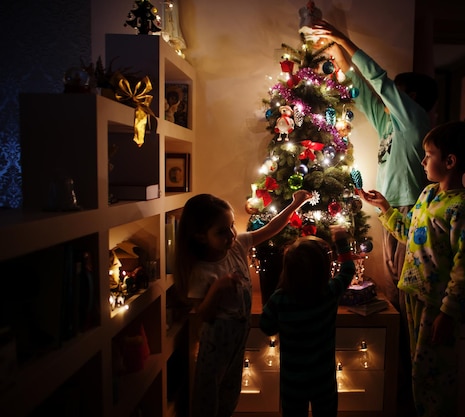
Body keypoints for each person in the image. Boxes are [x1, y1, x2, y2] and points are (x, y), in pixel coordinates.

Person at [313, 20, 438, 417]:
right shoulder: (390, 124)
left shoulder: (416, 121)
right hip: (391, 213)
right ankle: (402, 378)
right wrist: (336, 57)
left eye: (397, 95)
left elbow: (379, 81)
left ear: (412, 99)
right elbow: (365, 95)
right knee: (396, 296)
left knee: (409, 296)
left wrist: (344, 39)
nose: (389, 98)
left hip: (411, 217)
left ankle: (414, 384)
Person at [358, 120, 465, 417]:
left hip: (436, 304)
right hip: (412, 293)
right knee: (417, 365)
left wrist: (448, 312)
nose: (423, 160)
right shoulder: (427, 194)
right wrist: (386, 209)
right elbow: (410, 234)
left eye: (429, 154)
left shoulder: (462, 207)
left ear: (450, 161)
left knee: (435, 370)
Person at [174, 189, 312, 417]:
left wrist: (294, 204)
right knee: (208, 397)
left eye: (231, 226)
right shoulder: (201, 271)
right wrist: (217, 288)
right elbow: (204, 315)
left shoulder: (238, 246)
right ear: (200, 236)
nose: (230, 235)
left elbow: (270, 228)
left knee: (230, 395)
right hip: (216, 344)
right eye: (221, 231)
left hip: (239, 338)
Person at [259, 226, 356, 417]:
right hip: (324, 379)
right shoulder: (329, 292)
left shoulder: (279, 299)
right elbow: (348, 270)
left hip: (292, 382)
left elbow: (266, 326)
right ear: (324, 268)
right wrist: (341, 241)